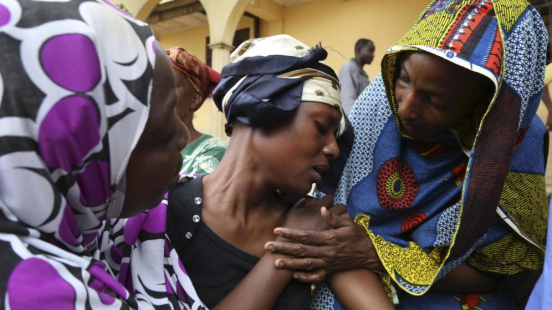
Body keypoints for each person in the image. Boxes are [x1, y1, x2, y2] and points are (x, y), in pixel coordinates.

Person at [266, 1, 549, 309]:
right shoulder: (377, 107)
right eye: (404, 79)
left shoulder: (513, 143)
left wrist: (376, 254)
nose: (405, 108)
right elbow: (330, 235)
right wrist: (349, 251)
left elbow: (490, 274)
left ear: (483, 109)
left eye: (436, 102)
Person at [166, 34, 393, 309]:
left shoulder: (316, 225)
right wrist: (283, 250)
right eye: (321, 127)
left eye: (336, 136)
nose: (333, 149)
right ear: (261, 109)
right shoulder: (164, 216)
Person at [0, 0, 192, 308]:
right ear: (80, 150)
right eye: (164, 124)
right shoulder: (45, 299)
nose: (183, 136)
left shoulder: (80, 238)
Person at [166, 47, 227, 175]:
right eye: (153, 86)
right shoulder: (139, 149)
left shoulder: (213, 151)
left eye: (170, 84)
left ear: (195, 99)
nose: (158, 94)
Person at [338, 38, 375, 115]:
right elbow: (347, 100)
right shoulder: (348, 68)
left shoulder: (363, 75)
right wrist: (352, 123)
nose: (373, 55)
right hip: (353, 121)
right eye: (370, 51)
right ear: (359, 50)